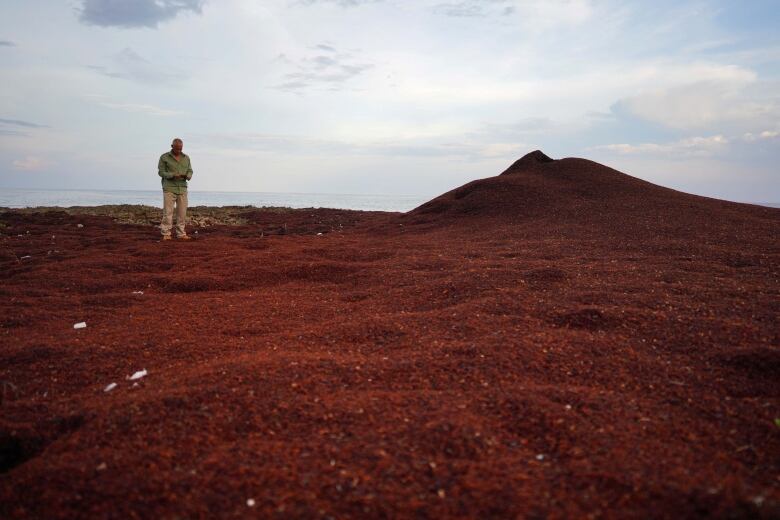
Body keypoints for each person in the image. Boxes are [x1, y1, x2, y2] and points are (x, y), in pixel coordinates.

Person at [158, 138, 193, 240]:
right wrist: (172, 175)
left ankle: (181, 234)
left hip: (182, 188)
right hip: (169, 187)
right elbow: (161, 172)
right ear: (172, 146)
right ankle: (166, 233)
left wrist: (188, 176)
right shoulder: (164, 157)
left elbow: (190, 170)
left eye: (180, 149)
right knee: (168, 212)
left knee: (182, 213)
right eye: (177, 148)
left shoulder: (186, 158)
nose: (179, 151)